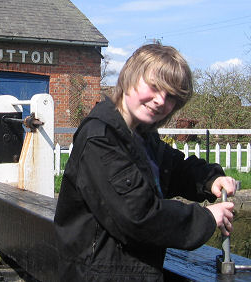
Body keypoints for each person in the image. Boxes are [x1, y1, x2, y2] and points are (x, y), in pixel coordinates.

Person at [54, 44, 237, 281]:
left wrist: (209, 179)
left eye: (170, 96)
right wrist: (207, 218)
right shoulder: (101, 138)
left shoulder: (141, 136)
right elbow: (139, 216)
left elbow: (174, 168)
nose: (161, 100)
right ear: (130, 77)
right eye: (154, 87)